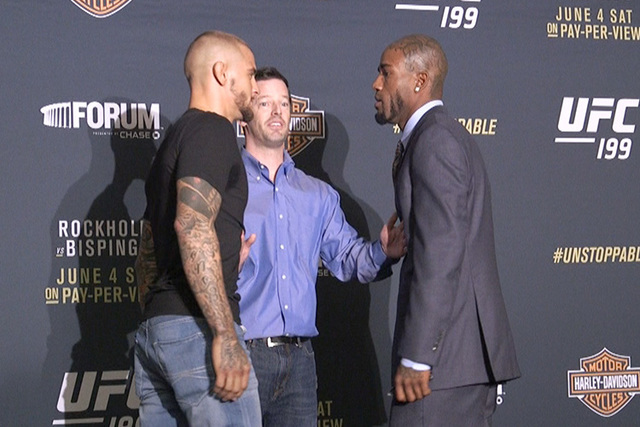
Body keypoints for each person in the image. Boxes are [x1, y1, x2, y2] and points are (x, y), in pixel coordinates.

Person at [238, 67, 407, 427]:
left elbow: (349, 259)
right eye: (265, 103)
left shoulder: (317, 194)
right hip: (240, 355)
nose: (277, 111)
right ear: (244, 115)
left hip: (300, 362)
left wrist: (383, 251)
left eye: (284, 103)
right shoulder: (225, 187)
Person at [373, 34, 521, 425]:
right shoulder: (433, 136)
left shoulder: (435, 139)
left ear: (419, 81)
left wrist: (419, 356)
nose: (376, 84)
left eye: (386, 73)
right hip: (454, 362)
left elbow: (440, 252)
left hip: (444, 364)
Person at [133, 30, 261, 426]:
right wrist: (223, 334)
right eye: (251, 74)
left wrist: (225, 259)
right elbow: (191, 225)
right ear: (222, 73)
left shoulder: (174, 139)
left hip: (158, 330)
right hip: (198, 332)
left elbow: (148, 248)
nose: (256, 87)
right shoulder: (211, 129)